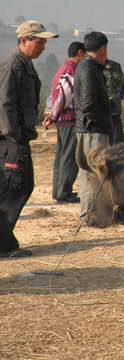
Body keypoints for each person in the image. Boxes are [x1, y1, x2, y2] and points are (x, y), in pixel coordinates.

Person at [0, 21, 58, 258]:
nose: (43, 46)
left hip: (19, 137)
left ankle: (5, 241)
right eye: (39, 41)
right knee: (13, 188)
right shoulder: (12, 66)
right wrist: (14, 136)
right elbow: (4, 104)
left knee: (21, 186)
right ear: (24, 40)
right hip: (9, 140)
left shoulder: (26, 66)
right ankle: (3, 245)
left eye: (44, 42)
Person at [74, 31, 113, 225]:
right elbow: (87, 102)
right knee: (92, 173)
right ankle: (90, 216)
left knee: (97, 173)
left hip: (93, 127)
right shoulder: (88, 69)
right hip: (93, 129)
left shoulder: (89, 67)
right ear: (102, 49)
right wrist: (96, 121)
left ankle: (98, 215)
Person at [43, 41, 85, 203]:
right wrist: (53, 116)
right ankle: (64, 192)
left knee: (62, 156)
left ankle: (59, 191)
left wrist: (52, 115)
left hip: (62, 120)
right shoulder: (70, 71)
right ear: (80, 53)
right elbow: (63, 98)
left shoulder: (63, 69)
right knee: (69, 157)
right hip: (68, 120)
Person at [104, 59, 124, 144]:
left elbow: (123, 91)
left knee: (118, 148)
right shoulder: (91, 67)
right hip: (100, 116)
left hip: (114, 114)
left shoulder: (116, 66)